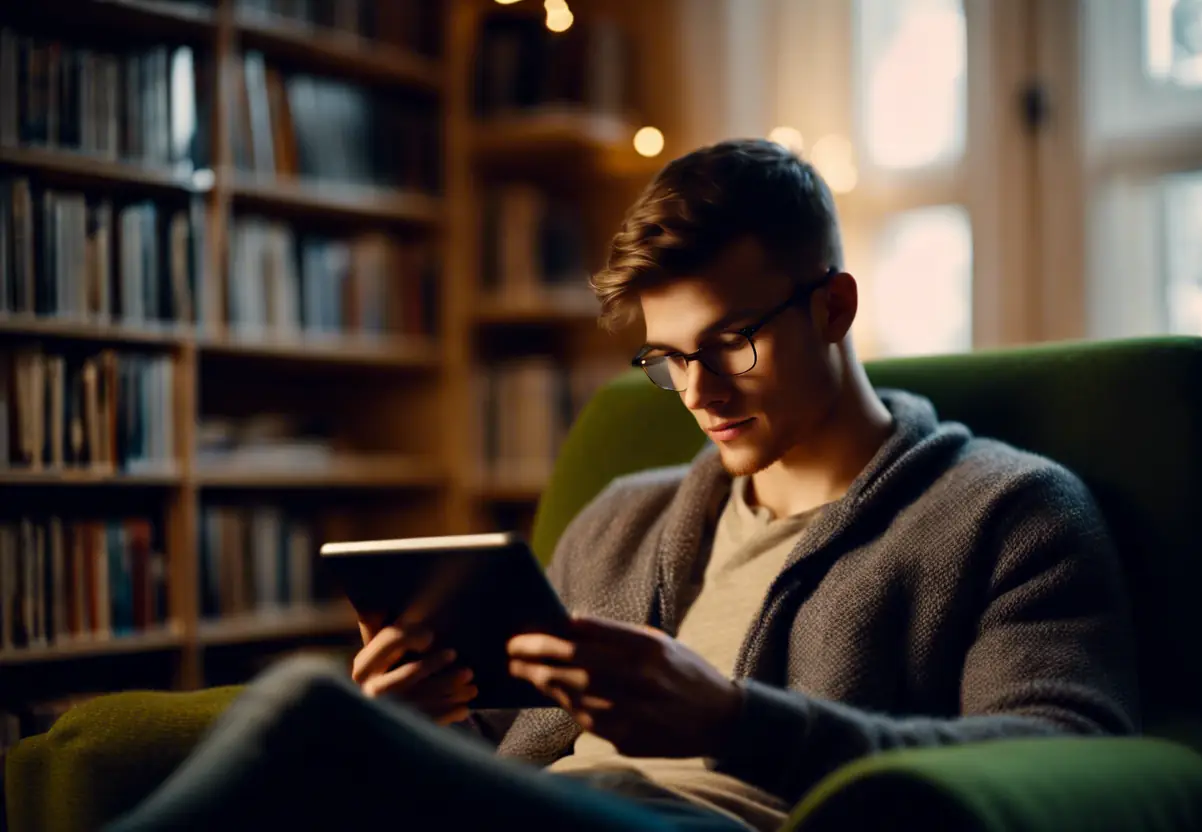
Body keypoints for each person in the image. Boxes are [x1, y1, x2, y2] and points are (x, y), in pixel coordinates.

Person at [106, 139, 1139, 832]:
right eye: (668, 356)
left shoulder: (1009, 511)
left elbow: (1064, 752)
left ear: (833, 306)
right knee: (305, 728)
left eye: (730, 341)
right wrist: (422, 718)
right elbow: (512, 749)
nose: (698, 389)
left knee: (299, 710)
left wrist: (734, 720)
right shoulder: (621, 517)